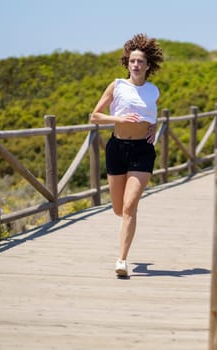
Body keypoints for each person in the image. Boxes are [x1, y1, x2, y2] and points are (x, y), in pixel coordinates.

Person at [90, 33, 164, 277]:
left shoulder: (153, 91)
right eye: (132, 61)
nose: (136, 65)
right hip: (117, 149)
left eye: (140, 61)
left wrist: (152, 127)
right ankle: (127, 223)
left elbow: (151, 114)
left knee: (130, 206)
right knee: (119, 209)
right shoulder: (117, 86)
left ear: (147, 65)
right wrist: (118, 118)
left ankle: (121, 260)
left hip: (143, 150)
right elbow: (95, 116)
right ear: (127, 63)